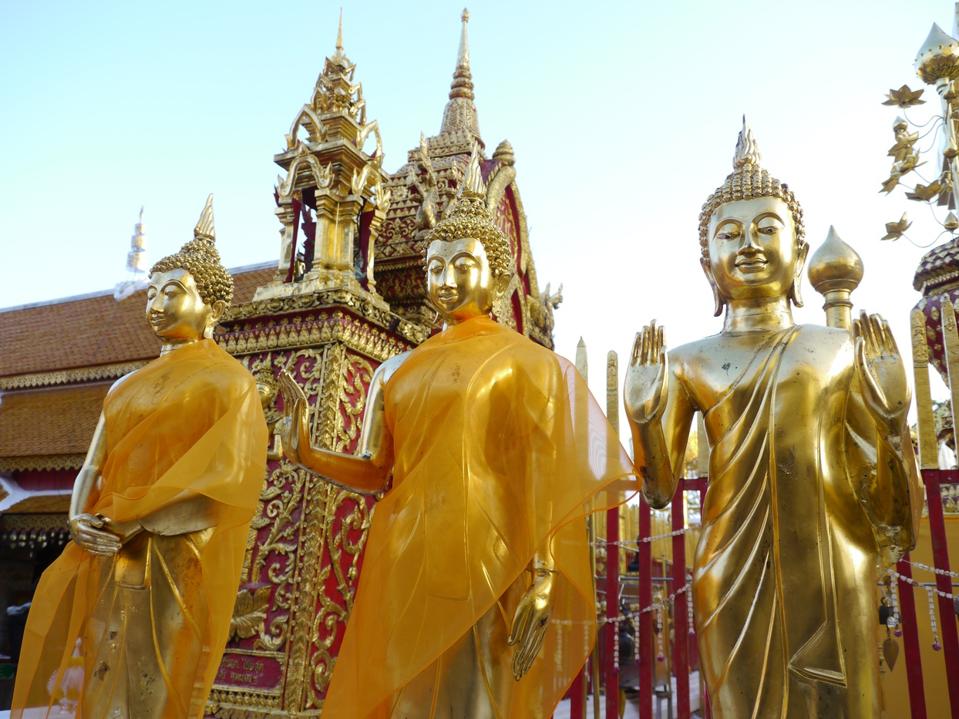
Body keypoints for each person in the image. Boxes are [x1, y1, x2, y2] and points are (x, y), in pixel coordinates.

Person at [278, 153, 635, 718]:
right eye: (435, 267)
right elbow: (374, 470)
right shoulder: (394, 370)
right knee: (408, 702)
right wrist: (305, 450)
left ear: (497, 274)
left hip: (488, 547)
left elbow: (538, 468)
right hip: (404, 548)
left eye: (461, 265)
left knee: (474, 700)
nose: (445, 280)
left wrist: (542, 571)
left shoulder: (524, 363)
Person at [624, 122, 922, 718]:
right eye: (729, 235)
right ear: (708, 264)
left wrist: (893, 423)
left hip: (836, 562)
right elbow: (658, 492)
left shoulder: (838, 349)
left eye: (767, 228)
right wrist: (645, 415)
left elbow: (895, 520)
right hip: (732, 571)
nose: (750, 245)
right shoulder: (687, 362)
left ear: (800, 253)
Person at [12, 196, 268, 719]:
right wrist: (78, 517)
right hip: (110, 544)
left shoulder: (229, 381)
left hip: (177, 549)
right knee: (104, 667)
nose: (155, 304)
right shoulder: (125, 385)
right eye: (151, 293)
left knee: (157, 673)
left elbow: (227, 478)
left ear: (211, 307)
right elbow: (91, 466)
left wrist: (137, 518)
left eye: (172, 293)